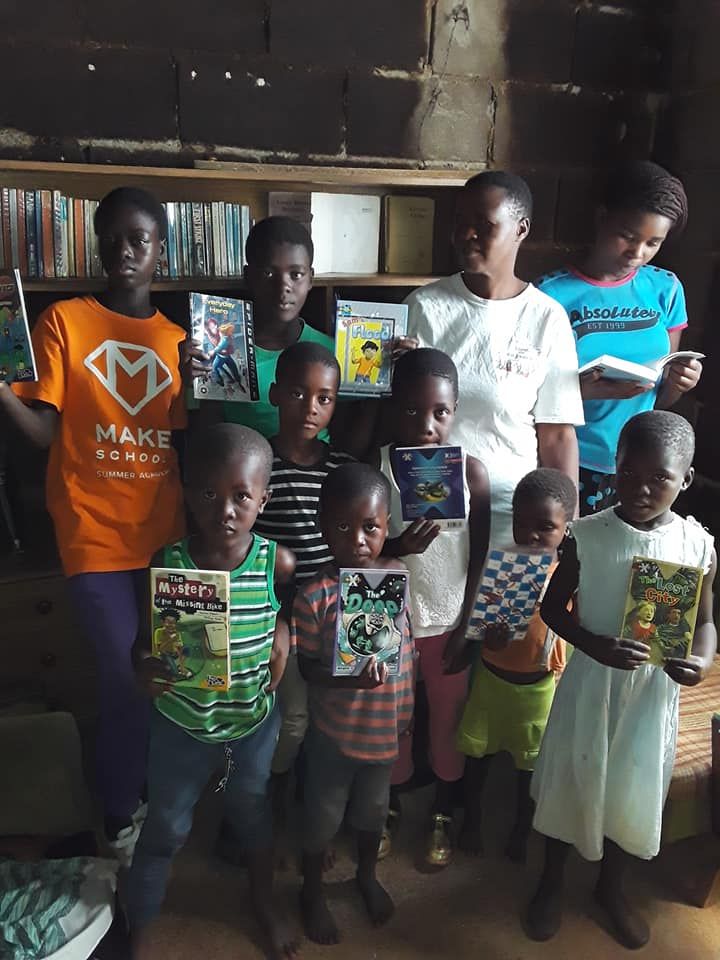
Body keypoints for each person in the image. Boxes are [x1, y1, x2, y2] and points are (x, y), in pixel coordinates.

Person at [0, 187, 187, 861]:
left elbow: (193, 442)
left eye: (139, 239)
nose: (124, 251)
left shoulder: (180, 342)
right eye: (112, 238)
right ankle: (118, 813)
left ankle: (160, 793)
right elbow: (46, 433)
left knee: (165, 672)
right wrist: (0, 387)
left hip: (164, 538)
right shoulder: (65, 322)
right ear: (98, 245)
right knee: (123, 675)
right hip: (92, 535)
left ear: (160, 251)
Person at [527, 410, 716, 950]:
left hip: (650, 698)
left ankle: (612, 889)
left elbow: (705, 623)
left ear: (686, 478)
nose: (640, 487)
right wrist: (592, 643)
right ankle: (550, 883)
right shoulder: (587, 535)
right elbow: (555, 609)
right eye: (628, 472)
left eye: (660, 477)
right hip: (591, 685)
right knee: (572, 779)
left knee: (631, 790)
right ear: (614, 466)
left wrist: (700, 663)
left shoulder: (697, 546)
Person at [126, 423, 299, 960]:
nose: (225, 509)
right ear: (186, 490)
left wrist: (285, 631)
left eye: (241, 496)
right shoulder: (167, 563)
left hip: (250, 725)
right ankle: (139, 928)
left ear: (263, 499)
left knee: (252, 816)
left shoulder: (278, 562)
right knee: (165, 828)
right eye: (209, 494)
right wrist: (145, 669)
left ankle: (264, 904)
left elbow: (284, 614)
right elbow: (143, 643)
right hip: (180, 725)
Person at [404, 170, 584, 550]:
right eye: (460, 223)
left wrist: (566, 527)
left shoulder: (546, 319)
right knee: (430, 609)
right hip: (430, 507)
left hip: (514, 518)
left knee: (502, 610)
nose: (466, 234)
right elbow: (395, 420)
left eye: (483, 226)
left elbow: (557, 435)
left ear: (520, 229)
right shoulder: (424, 306)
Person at [537, 161, 702, 515]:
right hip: (573, 458)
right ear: (602, 217)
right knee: (570, 562)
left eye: (653, 243)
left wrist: (679, 382)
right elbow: (525, 397)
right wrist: (578, 391)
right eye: (628, 236)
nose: (637, 253)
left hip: (642, 468)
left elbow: (660, 399)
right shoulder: (550, 296)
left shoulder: (665, 289)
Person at [377, 347, 490, 866]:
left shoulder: (470, 474)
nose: (426, 425)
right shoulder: (378, 471)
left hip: (448, 621)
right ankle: (391, 805)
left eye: (440, 412)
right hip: (391, 623)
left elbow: (482, 554)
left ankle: (443, 810)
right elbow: (362, 549)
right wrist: (398, 547)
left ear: (456, 409)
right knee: (395, 719)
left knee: (447, 720)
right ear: (392, 406)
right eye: (411, 411)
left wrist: (470, 622)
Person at [293, 463, 415, 945]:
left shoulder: (397, 578)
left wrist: (408, 714)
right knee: (321, 818)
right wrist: (350, 679)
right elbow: (307, 669)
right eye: (343, 527)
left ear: (387, 526)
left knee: (372, 815)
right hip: (335, 736)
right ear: (324, 528)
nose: (359, 539)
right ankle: (310, 891)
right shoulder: (315, 595)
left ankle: (365, 876)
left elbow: (408, 654)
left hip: (385, 735)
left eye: (371, 527)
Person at [252, 340, 354, 847]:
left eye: (324, 398)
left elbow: (358, 548)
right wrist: (281, 618)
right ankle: (269, 798)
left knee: (328, 721)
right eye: (296, 393)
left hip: (332, 617)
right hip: (279, 616)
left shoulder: (342, 470)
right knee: (291, 719)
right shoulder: (257, 466)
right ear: (274, 393)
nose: (310, 408)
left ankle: (315, 813)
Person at [454, 468, 577, 865]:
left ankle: (521, 832)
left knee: (530, 773)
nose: (532, 535)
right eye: (522, 523)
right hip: (492, 678)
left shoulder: (568, 577)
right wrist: (487, 635)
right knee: (477, 760)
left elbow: (572, 632)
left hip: (538, 690)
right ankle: (470, 820)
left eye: (546, 527)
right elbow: (481, 619)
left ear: (566, 528)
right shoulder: (502, 566)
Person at [184, 216, 333, 439]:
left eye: (296, 275)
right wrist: (195, 384)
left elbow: (350, 444)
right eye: (268, 274)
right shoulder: (218, 348)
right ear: (248, 277)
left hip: (315, 472)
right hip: (242, 470)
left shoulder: (330, 352)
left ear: (310, 279)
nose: (284, 287)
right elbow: (206, 441)